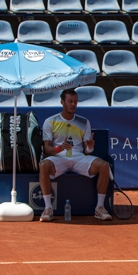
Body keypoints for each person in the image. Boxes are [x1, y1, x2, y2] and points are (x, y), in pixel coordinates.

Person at [39, 89, 113, 223]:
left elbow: (87, 152)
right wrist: (59, 148)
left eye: (75, 102)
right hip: (58, 158)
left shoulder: (84, 122)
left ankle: (99, 207)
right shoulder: (50, 122)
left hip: (79, 157)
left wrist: (90, 146)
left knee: (104, 166)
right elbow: (47, 150)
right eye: (70, 101)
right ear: (62, 102)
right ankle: (48, 209)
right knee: (44, 165)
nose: (73, 104)